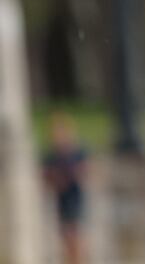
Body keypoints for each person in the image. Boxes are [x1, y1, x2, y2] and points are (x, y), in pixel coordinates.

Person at [40, 111, 89, 264]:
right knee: (65, 235)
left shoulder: (77, 151)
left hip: (75, 198)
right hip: (61, 200)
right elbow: (45, 177)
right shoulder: (52, 155)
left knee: (75, 234)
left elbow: (87, 171)